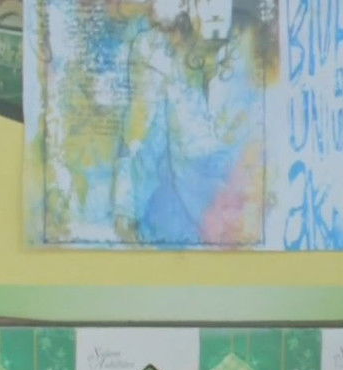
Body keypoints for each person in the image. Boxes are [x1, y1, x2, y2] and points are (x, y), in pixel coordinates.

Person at [112, 0, 269, 247]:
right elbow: (141, 136)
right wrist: (126, 208)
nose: (213, 6)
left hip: (253, 213)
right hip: (187, 216)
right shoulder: (157, 50)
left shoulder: (257, 47)